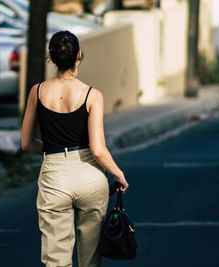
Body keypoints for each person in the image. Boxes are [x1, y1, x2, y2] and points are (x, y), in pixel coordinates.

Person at [21, 30, 129, 267]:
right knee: (90, 258)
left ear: (51, 57)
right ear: (79, 55)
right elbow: (98, 149)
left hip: (54, 176)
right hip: (89, 175)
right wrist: (118, 174)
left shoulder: (36, 92)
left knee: (55, 259)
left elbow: (27, 143)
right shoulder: (92, 95)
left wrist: (53, 151)